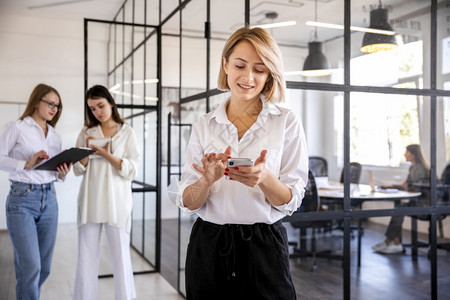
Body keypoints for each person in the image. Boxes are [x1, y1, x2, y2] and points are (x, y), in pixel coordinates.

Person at [169, 26, 308, 300]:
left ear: (269, 74)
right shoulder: (205, 125)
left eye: (259, 69)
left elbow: (291, 200)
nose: (248, 77)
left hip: (264, 248)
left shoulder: (286, 121)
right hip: (208, 245)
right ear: (225, 64)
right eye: (240, 65)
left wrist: (265, 178)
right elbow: (189, 200)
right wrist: (206, 181)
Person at [0, 83, 72, 299]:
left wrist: (63, 172)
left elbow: (55, 173)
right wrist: (26, 164)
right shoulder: (17, 127)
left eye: (57, 106)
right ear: (36, 101)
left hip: (50, 198)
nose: (54, 109)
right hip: (22, 200)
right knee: (30, 267)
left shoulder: (54, 136)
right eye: (50, 103)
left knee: (44, 267)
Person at [72, 85, 140, 300]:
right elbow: (77, 168)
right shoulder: (86, 133)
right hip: (91, 200)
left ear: (111, 103)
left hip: (116, 203)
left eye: (100, 106)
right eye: (92, 109)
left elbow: (133, 170)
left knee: (121, 258)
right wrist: (85, 154)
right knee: (86, 257)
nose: (97, 112)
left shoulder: (127, 132)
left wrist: (107, 155)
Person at [372, 144, 430, 254]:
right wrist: (393, 186)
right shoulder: (413, 167)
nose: (405, 154)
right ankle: (393, 242)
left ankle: (392, 242)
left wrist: (398, 186)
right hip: (416, 202)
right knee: (399, 208)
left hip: (424, 204)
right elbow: (407, 185)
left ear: (413, 155)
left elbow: (414, 187)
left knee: (399, 210)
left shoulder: (420, 168)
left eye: (407, 152)